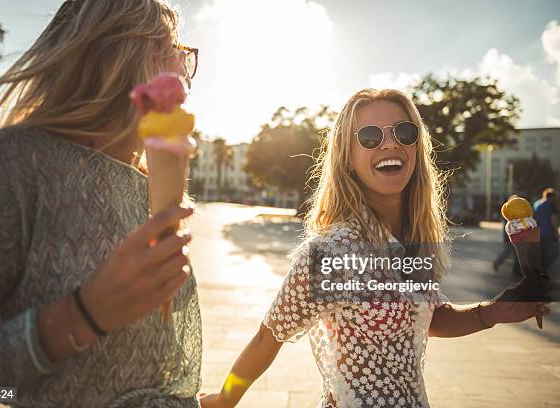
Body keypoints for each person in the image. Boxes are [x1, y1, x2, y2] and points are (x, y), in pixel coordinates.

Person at [200, 89, 550, 408]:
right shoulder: (332, 252)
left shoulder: (407, 241)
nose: (390, 144)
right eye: (369, 137)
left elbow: (425, 317)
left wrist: (493, 311)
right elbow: (268, 336)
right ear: (347, 157)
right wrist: (224, 399)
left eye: (404, 132)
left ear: (416, 148)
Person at [0, 1, 202, 407]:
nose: (182, 74)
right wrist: (80, 318)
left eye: (184, 57)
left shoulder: (147, 184)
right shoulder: (18, 164)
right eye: (169, 51)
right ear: (119, 58)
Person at [534, 188, 559, 280]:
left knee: (543, 253)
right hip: (549, 233)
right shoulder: (551, 204)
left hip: (538, 233)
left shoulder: (537, 204)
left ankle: (540, 272)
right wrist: (557, 233)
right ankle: (542, 270)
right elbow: (553, 219)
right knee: (556, 252)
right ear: (552, 197)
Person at [493, 195, 520, 277]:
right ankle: (497, 263)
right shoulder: (508, 210)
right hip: (510, 235)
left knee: (515, 252)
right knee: (510, 251)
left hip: (512, 235)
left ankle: (516, 270)